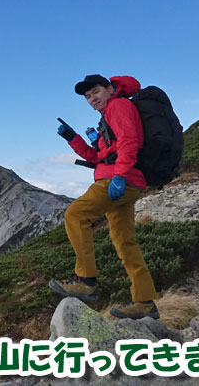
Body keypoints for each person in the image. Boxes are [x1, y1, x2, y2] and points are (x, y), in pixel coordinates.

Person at [48, 74, 160, 320]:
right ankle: (144, 302)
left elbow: (130, 141)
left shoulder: (119, 106)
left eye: (96, 92)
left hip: (118, 180)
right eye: (88, 96)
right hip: (124, 180)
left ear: (110, 89)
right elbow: (96, 156)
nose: (92, 99)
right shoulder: (106, 118)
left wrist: (120, 175)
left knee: (75, 215)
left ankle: (85, 281)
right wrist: (72, 138)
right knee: (124, 241)